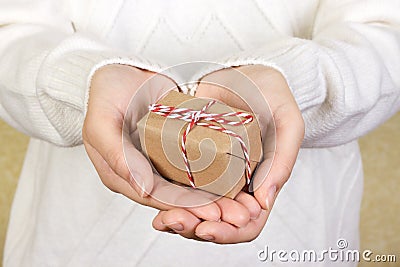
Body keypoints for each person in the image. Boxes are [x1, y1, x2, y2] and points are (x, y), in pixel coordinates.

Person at [1, 0, 399, 266]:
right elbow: (11, 30)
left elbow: (387, 34)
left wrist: (297, 83)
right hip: (74, 239)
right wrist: (79, 85)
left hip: (298, 239)